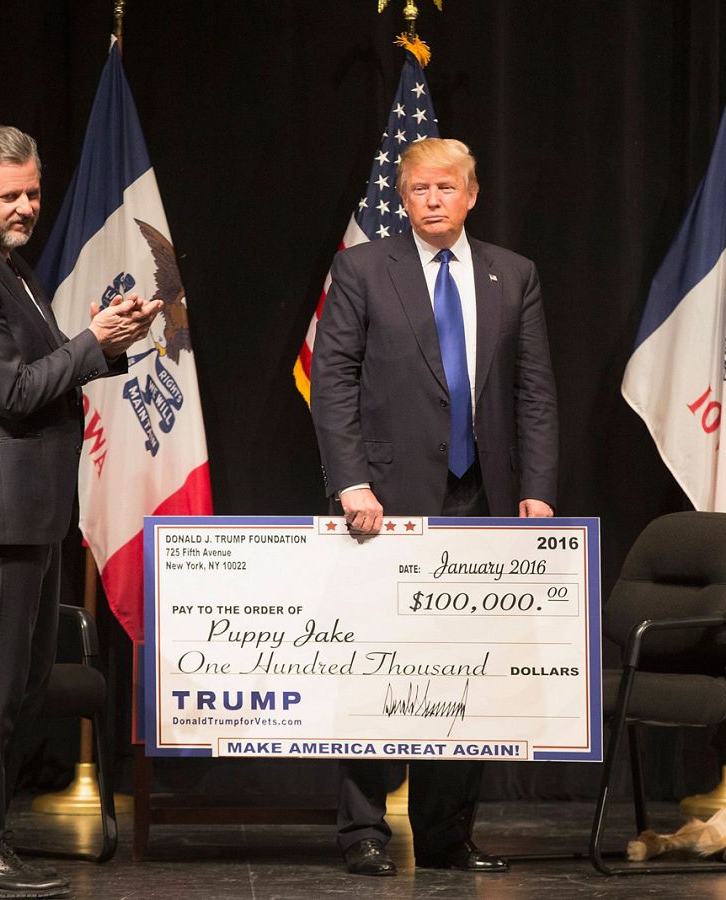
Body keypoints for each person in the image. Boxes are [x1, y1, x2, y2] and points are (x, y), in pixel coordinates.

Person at [0, 125, 160, 899]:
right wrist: (92, 340)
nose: (26, 207)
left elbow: (48, 367)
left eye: (32, 192)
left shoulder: (5, 264)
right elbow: (17, 390)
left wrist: (110, 339)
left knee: (23, 685)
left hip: (35, 503)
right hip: (2, 505)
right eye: (10, 196)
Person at [310, 137, 559, 876]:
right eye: (418, 188)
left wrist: (538, 489)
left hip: (483, 499)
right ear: (402, 195)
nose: (433, 199)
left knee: (464, 672)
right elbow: (334, 383)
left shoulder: (513, 275)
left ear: (471, 193)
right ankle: (362, 831)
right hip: (384, 504)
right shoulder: (362, 269)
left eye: (446, 187)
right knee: (376, 666)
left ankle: (448, 835)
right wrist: (350, 481)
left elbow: (534, 392)